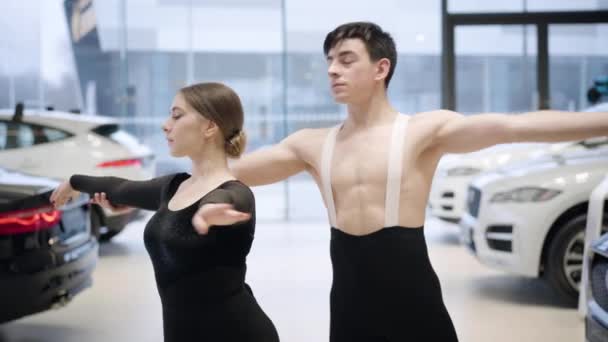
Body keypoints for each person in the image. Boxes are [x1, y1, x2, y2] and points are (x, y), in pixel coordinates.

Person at [91, 22, 608, 342]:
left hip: (412, 292)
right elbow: (211, 176)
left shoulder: (424, 131)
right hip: (351, 296)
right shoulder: (313, 144)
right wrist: (130, 196)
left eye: (346, 60)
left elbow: (517, 125)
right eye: (329, 62)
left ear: (381, 68)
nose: (333, 71)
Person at [50, 82, 280, 342]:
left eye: (177, 115)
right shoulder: (173, 187)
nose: (165, 124)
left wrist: (207, 212)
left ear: (209, 126)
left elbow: (226, 199)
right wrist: (74, 182)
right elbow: (121, 187)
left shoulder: (236, 194)